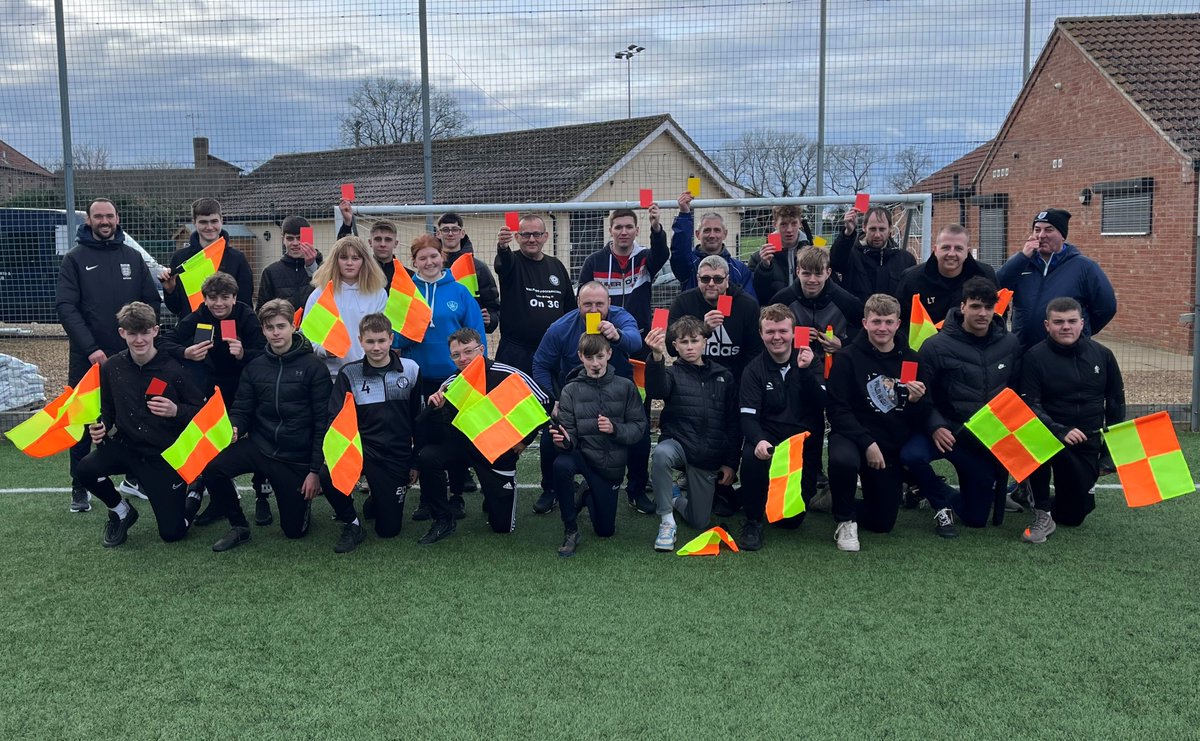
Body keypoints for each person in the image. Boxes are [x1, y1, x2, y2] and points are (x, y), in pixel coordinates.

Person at [202, 299, 342, 552]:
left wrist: (314, 471)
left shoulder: (314, 368)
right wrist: (235, 427)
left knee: (294, 533)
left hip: (294, 456)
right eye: (269, 328)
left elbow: (323, 423)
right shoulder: (255, 367)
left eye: (281, 326)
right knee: (211, 468)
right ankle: (239, 526)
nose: (275, 333)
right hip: (259, 445)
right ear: (263, 330)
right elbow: (242, 409)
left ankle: (301, 504)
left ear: (293, 326)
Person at [56, 198, 162, 512]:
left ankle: (133, 476)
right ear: (88, 221)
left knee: (134, 416)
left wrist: (141, 340)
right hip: (88, 359)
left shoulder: (132, 256)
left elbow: (150, 303)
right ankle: (79, 484)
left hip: (129, 358)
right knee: (84, 420)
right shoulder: (74, 259)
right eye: (98, 216)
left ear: (117, 219)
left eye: (110, 216)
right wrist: (90, 349)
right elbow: (66, 307)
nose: (105, 221)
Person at [75, 302, 205, 547]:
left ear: (156, 330)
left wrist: (176, 410)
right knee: (85, 469)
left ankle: (195, 491)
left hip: (162, 455)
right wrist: (101, 424)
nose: (139, 339)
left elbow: (203, 413)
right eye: (132, 333)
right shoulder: (112, 366)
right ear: (122, 333)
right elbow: (107, 408)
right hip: (127, 447)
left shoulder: (174, 369)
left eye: (144, 332)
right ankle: (122, 511)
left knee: (172, 533)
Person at [900, 277, 1022, 537]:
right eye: (976, 306)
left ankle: (945, 495)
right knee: (910, 455)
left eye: (989, 307)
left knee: (976, 519)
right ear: (963, 306)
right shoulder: (935, 346)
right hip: (946, 431)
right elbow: (922, 395)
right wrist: (935, 426)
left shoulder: (1010, 344)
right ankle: (937, 498)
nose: (983, 313)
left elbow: (1015, 395)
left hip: (981, 440)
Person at [416, 328, 550, 545]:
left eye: (468, 351)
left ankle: (493, 494)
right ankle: (443, 519)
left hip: (497, 453)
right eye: (456, 354)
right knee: (428, 456)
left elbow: (545, 401)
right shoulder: (451, 384)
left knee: (502, 527)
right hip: (463, 448)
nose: (463, 358)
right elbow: (435, 431)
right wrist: (437, 410)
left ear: (482, 349)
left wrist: (524, 440)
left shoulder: (508, 373)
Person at [160, 271, 268, 526]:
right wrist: (186, 352)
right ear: (205, 299)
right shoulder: (200, 316)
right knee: (212, 447)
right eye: (212, 298)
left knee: (257, 437)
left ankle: (262, 494)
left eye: (224, 297)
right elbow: (164, 341)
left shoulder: (245, 315)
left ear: (234, 297)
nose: (219, 303)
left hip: (246, 389)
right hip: (210, 392)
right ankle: (220, 501)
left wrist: (244, 354)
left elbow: (266, 351)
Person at [532, 282, 650, 514]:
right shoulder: (560, 328)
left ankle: (636, 490)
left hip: (618, 396)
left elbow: (636, 343)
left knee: (641, 435)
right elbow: (540, 364)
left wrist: (617, 336)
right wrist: (551, 400)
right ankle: (551, 489)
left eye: (599, 304)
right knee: (550, 437)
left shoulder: (621, 318)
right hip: (577, 399)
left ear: (610, 304)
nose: (594, 309)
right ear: (578, 304)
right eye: (587, 304)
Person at [825, 294, 927, 552]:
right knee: (843, 460)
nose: (882, 328)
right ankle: (845, 519)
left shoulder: (912, 360)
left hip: (888, 445)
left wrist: (916, 402)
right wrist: (867, 442)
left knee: (883, 523)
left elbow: (921, 414)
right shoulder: (847, 358)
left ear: (898, 324)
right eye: (876, 321)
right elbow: (838, 410)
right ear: (864, 323)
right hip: (852, 437)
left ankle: (837, 499)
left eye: (888, 322)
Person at [395, 234, 486, 520]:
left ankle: (456, 495)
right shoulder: (405, 292)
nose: (429, 261)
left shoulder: (459, 292)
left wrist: (474, 372)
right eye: (422, 258)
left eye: (433, 256)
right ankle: (428, 497)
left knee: (456, 434)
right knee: (423, 438)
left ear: (442, 257)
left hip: (454, 378)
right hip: (418, 378)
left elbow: (475, 335)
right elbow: (394, 336)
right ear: (414, 262)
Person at [1019, 297, 1125, 542]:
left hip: (1086, 439)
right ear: (1047, 325)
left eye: (1071, 321)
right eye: (1058, 322)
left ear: (1082, 323)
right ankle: (1041, 512)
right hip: (1048, 437)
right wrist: (1059, 430)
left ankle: (1030, 494)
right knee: (1035, 445)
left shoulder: (1103, 355)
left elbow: (1116, 404)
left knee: (1075, 515)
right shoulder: (1034, 357)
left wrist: (1110, 453)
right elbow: (1029, 405)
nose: (1065, 326)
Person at [321, 313, 424, 552]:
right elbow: (335, 418)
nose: (376, 347)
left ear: (391, 339)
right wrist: (335, 454)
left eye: (381, 340)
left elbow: (417, 420)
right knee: (326, 474)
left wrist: (415, 461)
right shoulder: (349, 373)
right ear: (360, 341)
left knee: (388, 531)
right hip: (360, 449)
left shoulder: (411, 370)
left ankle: (378, 498)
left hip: (396, 454)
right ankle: (352, 523)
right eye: (370, 342)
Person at [643, 316, 739, 552]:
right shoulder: (672, 373)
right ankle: (667, 521)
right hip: (679, 443)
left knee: (699, 522)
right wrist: (656, 357)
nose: (689, 346)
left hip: (707, 455)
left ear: (704, 341)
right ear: (674, 346)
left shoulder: (724, 376)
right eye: (683, 342)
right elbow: (656, 390)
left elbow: (733, 423)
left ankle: (674, 497)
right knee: (662, 454)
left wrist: (730, 463)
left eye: (694, 340)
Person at [549, 334, 647, 557]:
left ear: (609, 355)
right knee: (561, 465)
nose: (595, 363)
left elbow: (639, 427)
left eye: (600, 356)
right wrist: (564, 441)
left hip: (609, 464)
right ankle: (571, 529)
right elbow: (569, 433)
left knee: (605, 531)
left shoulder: (625, 387)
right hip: (581, 456)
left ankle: (585, 494)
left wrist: (615, 429)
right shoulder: (570, 390)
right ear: (580, 357)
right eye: (589, 357)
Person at [738, 304, 822, 551]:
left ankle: (756, 497)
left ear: (794, 332)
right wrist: (760, 440)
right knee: (751, 455)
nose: (777, 337)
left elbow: (823, 404)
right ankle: (752, 519)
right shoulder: (753, 370)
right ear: (761, 334)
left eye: (783, 331)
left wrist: (806, 373)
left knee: (790, 522)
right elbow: (748, 418)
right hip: (770, 440)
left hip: (802, 445)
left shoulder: (811, 361)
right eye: (770, 331)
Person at [996, 208, 1117, 348]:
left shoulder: (1084, 266)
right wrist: (1022, 258)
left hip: (1066, 352)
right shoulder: (1022, 263)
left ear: (1062, 235)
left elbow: (1106, 307)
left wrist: (1082, 331)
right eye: (1037, 230)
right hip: (1024, 349)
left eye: (1049, 230)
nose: (1041, 235)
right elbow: (997, 285)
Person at [493, 213, 576, 374]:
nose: (532, 239)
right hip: (516, 354)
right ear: (517, 237)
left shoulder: (556, 266)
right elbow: (502, 263)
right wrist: (502, 247)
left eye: (537, 234)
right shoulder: (512, 262)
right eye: (525, 234)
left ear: (545, 236)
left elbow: (569, 309)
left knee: (552, 398)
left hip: (552, 353)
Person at [769, 246, 863, 379]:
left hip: (834, 371)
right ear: (797, 271)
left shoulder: (845, 300)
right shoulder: (782, 300)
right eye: (806, 273)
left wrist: (843, 344)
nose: (812, 280)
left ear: (828, 273)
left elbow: (867, 331)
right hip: (792, 370)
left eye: (818, 274)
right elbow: (766, 331)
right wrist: (791, 336)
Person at [667, 254, 761, 383]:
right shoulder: (683, 302)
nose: (711, 284)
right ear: (698, 279)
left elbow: (755, 352)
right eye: (705, 279)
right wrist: (703, 330)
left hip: (735, 379)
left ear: (727, 280)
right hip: (693, 379)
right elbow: (671, 348)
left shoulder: (747, 305)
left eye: (718, 279)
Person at [303, 236, 389, 378]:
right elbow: (306, 336)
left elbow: (383, 334)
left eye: (355, 258)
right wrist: (323, 350)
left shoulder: (377, 293)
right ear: (335, 261)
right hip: (331, 376)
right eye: (344, 258)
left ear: (364, 261)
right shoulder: (321, 294)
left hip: (370, 374)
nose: (349, 263)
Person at [577, 207, 669, 335]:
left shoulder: (645, 258)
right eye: (618, 227)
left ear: (637, 231)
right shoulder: (593, 262)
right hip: (603, 336)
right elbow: (581, 302)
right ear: (610, 231)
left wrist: (656, 229)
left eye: (629, 227)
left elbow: (662, 254)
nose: (624, 232)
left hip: (638, 335)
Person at [895, 224, 996, 333]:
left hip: (973, 346)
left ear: (967, 251)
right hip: (925, 348)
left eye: (958, 248)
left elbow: (998, 317)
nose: (951, 253)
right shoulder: (912, 279)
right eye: (946, 247)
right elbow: (901, 321)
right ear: (935, 249)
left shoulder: (985, 275)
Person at [162, 198, 253, 317]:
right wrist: (170, 291)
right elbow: (176, 308)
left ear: (222, 221)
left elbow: (244, 303)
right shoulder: (180, 258)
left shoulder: (237, 258)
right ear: (194, 222)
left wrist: (237, 333)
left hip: (228, 327)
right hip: (192, 328)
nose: (209, 227)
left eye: (214, 221)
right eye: (203, 222)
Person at [670, 192, 755, 298]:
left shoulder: (739, 269)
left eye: (717, 230)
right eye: (706, 230)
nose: (712, 235)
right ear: (697, 234)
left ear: (725, 234)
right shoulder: (689, 265)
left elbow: (749, 303)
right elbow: (679, 252)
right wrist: (684, 214)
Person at [830, 205, 915, 304]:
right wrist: (848, 233)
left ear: (890, 229)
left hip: (892, 318)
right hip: (856, 317)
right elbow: (835, 263)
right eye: (873, 229)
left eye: (882, 229)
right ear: (864, 227)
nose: (877, 235)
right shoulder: (851, 254)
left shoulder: (905, 259)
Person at [437, 212, 501, 335]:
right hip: (439, 334)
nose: (450, 233)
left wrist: (490, 319)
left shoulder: (478, 268)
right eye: (445, 230)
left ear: (462, 233)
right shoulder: (431, 267)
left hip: (470, 337)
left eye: (455, 229)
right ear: (438, 233)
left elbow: (494, 307)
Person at [748, 204, 813, 300]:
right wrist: (764, 268)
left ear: (800, 223)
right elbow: (758, 296)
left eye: (794, 223)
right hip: (774, 312)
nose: (789, 230)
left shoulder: (813, 252)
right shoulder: (758, 258)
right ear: (774, 224)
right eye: (783, 224)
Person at [257, 215, 322, 310]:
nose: (295, 243)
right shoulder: (270, 272)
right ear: (283, 239)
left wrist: (312, 267)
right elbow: (262, 309)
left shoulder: (323, 268)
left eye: (299, 238)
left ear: (309, 238)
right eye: (290, 238)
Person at [336, 200, 401, 284]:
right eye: (378, 239)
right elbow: (343, 246)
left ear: (396, 243)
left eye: (388, 240)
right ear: (370, 242)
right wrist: (347, 223)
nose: (382, 244)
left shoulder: (407, 276)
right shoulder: (360, 271)